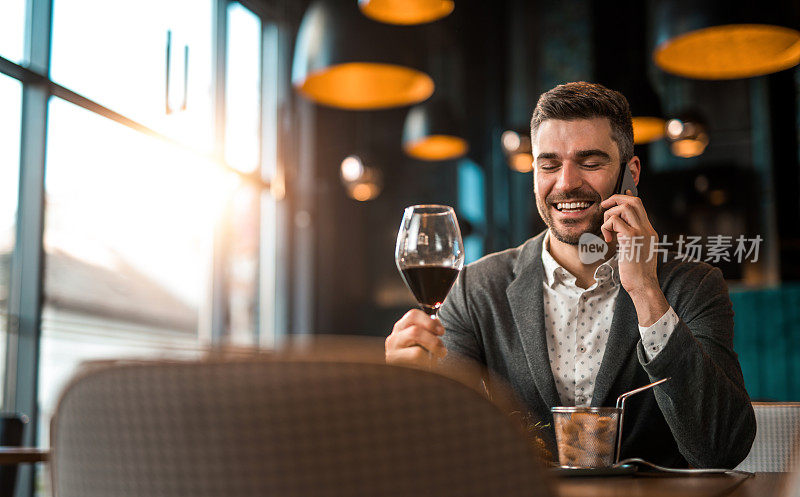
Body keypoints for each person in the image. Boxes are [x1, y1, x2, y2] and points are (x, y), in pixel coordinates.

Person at [385, 82, 756, 469]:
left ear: (630, 174)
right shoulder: (473, 290)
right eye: (549, 164)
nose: (565, 183)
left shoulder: (694, 286)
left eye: (590, 162)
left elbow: (721, 448)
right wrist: (406, 388)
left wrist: (646, 291)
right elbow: (439, 450)